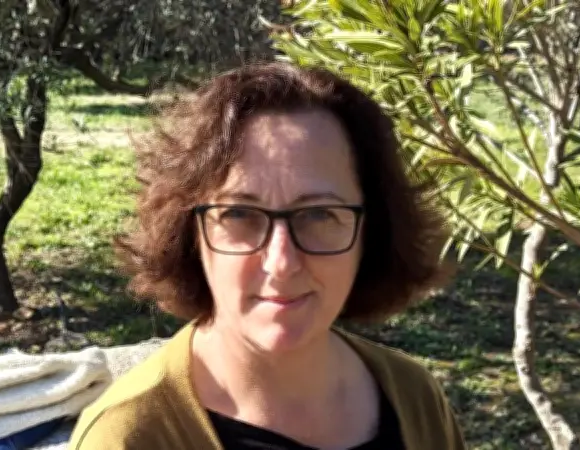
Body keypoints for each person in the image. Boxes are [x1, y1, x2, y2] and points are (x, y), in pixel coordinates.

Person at [68, 61, 466, 450]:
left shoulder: (415, 398)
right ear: (189, 233)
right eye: (239, 214)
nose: (281, 263)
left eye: (319, 214)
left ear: (372, 230)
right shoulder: (129, 436)